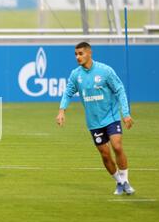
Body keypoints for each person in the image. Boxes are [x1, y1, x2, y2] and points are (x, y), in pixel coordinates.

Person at [56, 42, 135, 195]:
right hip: (93, 122)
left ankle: (125, 181)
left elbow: (119, 90)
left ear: (89, 53)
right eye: (76, 54)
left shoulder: (105, 71)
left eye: (80, 53)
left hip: (111, 116)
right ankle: (118, 182)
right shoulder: (75, 75)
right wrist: (61, 111)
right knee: (105, 154)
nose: (78, 57)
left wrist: (125, 114)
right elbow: (67, 93)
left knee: (117, 146)